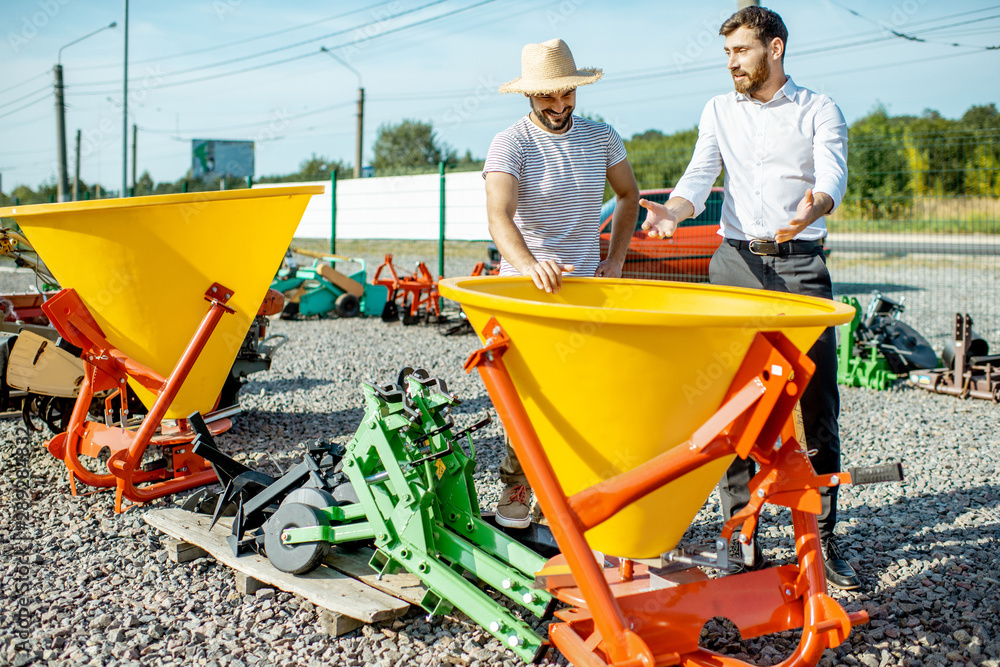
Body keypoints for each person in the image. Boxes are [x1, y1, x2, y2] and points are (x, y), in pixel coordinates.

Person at [640, 7, 858, 589]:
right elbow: (698, 175)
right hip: (734, 264)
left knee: (816, 404)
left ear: (775, 48)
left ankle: (827, 533)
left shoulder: (819, 109)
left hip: (800, 266)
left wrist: (813, 206)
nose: (732, 62)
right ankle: (741, 532)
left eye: (740, 50)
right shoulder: (717, 110)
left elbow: (831, 175)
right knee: (736, 400)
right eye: (728, 53)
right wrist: (674, 211)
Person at [483, 37, 639, 527]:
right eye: (547, 97)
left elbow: (630, 196)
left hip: (585, 290)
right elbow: (498, 216)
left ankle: (573, 498)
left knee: (586, 396)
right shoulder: (511, 143)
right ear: (530, 96)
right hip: (525, 291)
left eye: (566, 93)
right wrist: (530, 264)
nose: (559, 105)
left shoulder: (602, 138)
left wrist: (614, 260)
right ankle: (515, 486)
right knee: (527, 400)